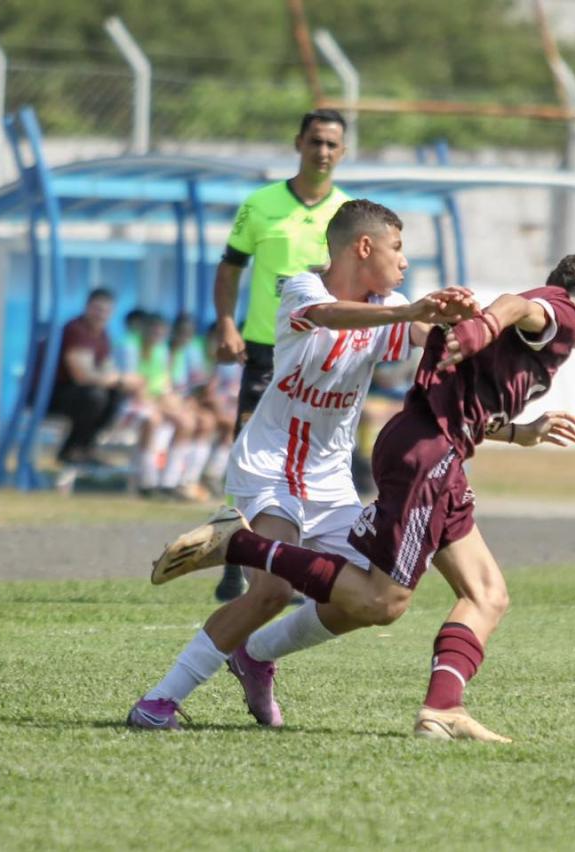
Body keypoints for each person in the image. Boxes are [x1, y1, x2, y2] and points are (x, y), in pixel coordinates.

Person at [148, 251, 575, 742]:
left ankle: (436, 705)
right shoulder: (561, 311)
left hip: (412, 461)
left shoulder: (439, 317)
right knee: (377, 600)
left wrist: (518, 428)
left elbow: (458, 397)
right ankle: (238, 548)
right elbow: (512, 306)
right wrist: (477, 326)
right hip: (392, 459)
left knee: (484, 594)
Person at [127, 199, 479, 730]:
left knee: (379, 600)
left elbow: (433, 338)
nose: (405, 263)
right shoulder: (301, 287)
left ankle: (256, 655)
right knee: (271, 590)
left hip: (331, 484)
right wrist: (410, 312)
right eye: (398, 249)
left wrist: (470, 326)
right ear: (365, 247)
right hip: (267, 468)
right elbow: (329, 317)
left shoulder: (394, 304)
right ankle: (158, 703)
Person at [212, 108, 352, 601]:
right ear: (298, 143)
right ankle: (234, 556)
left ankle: (296, 559)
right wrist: (226, 322)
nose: (323, 152)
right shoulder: (261, 204)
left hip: (323, 353)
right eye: (316, 142)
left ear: (344, 150)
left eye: (333, 144)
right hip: (267, 349)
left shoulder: (350, 212)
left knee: (313, 453)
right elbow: (230, 268)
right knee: (251, 450)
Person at [45, 288, 142, 465]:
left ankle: (85, 448)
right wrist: (120, 379)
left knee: (115, 395)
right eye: (97, 309)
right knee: (94, 397)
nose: (101, 314)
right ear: (87, 307)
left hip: (75, 394)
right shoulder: (76, 330)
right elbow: (82, 375)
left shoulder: (102, 334)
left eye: (106, 310)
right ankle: (72, 450)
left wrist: (124, 381)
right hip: (51, 394)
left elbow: (107, 368)